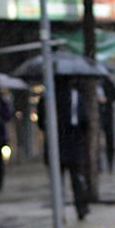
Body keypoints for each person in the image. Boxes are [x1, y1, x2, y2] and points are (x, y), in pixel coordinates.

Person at [37, 78, 90, 220]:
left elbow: (41, 123)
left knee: (57, 182)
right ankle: (81, 208)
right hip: (73, 144)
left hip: (55, 144)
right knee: (77, 179)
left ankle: (60, 211)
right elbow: (85, 120)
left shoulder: (47, 97)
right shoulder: (75, 96)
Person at [97, 83, 115, 173]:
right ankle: (98, 164)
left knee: (110, 140)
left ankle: (110, 163)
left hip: (108, 116)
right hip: (97, 117)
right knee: (96, 142)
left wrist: (107, 99)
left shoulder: (107, 83)